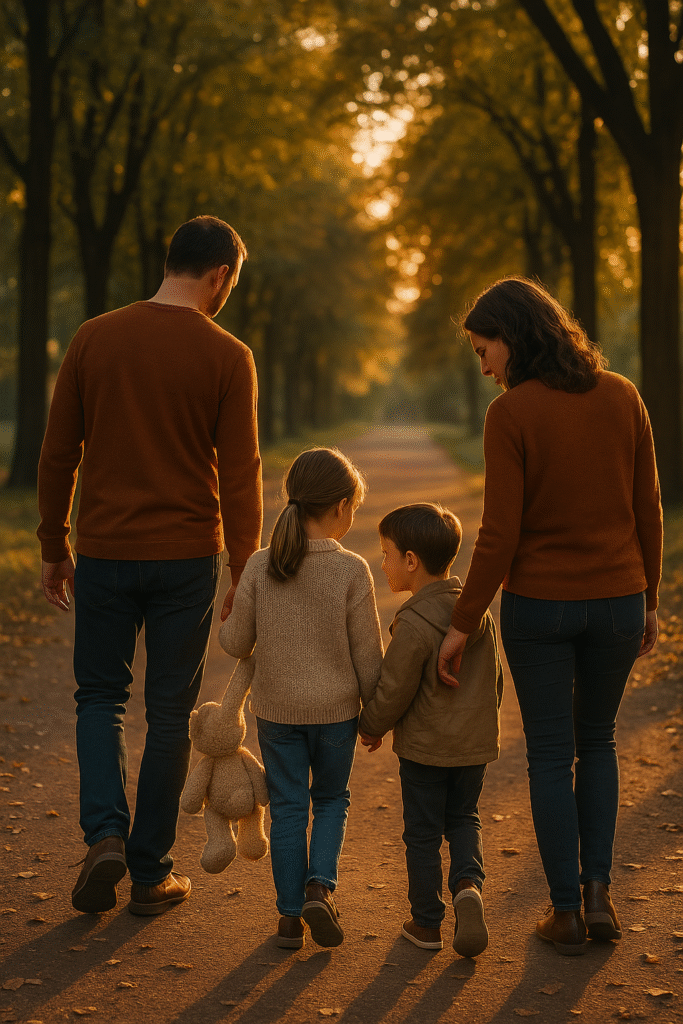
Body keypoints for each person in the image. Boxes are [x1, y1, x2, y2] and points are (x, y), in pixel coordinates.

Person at [37, 215, 263, 916]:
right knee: (170, 713)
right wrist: (243, 565)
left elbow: (57, 453)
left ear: (169, 261)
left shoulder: (94, 337)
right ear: (219, 275)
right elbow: (241, 472)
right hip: (186, 558)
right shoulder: (228, 355)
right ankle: (149, 870)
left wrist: (54, 543)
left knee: (98, 698)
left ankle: (103, 832)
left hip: (104, 550)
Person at [437, 277, 663, 955]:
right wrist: (647, 599)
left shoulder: (511, 415)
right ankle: (599, 899)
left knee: (548, 753)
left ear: (515, 336)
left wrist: (459, 623)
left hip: (540, 608)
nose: (482, 366)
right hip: (618, 602)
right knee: (596, 742)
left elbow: (499, 533)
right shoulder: (623, 395)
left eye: (485, 349)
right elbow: (646, 508)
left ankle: (563, 912)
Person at [219, 447, 383, 949]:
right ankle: (319, 887)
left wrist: (239, 617)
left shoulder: (263, 565)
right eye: (352, 506)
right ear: (337, 507)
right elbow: (370, 660)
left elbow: (233, 644)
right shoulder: (353, 570)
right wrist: (375, 716)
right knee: (331, 800)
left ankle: (289, 918)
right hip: (336, 717)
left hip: (277, 713)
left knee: (289, 807)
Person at [358, 503, 502, 957]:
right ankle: (468, 887)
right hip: (472, 747)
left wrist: (371, 725)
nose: (382, 563)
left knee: (421, 835)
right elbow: (496, 680)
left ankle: (426, 924)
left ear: (411, 561)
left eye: (386, 555)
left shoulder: (415, 624)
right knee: (464, 818)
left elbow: (393, 687)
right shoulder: (475, 614)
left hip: (423, 751)